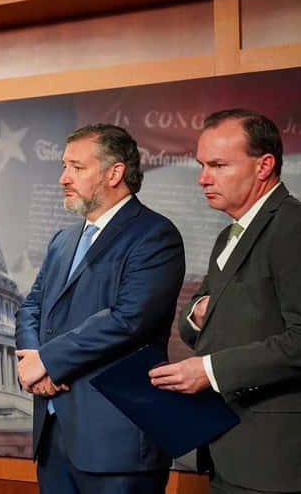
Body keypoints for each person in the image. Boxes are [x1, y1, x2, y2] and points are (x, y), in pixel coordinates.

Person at [15, 124, 185, 494]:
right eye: (64, 166)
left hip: (117, 442)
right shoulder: (62, 240)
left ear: (114, 173)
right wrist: (32, 361)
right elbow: (31, 307)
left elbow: (129, 319)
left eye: (77, 168)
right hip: (54, 436)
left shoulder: (154, 235)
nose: (63, 178)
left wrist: (49, 362)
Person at [149, 109, 301, 493]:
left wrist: (209, 371)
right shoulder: (228, 235)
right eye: (202, 164)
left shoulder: (293, 227)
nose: (202, 178)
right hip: (228, 449)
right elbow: (198, 317)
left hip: (277, 462)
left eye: (218, 165)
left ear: (264, 165)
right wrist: (198, 314)